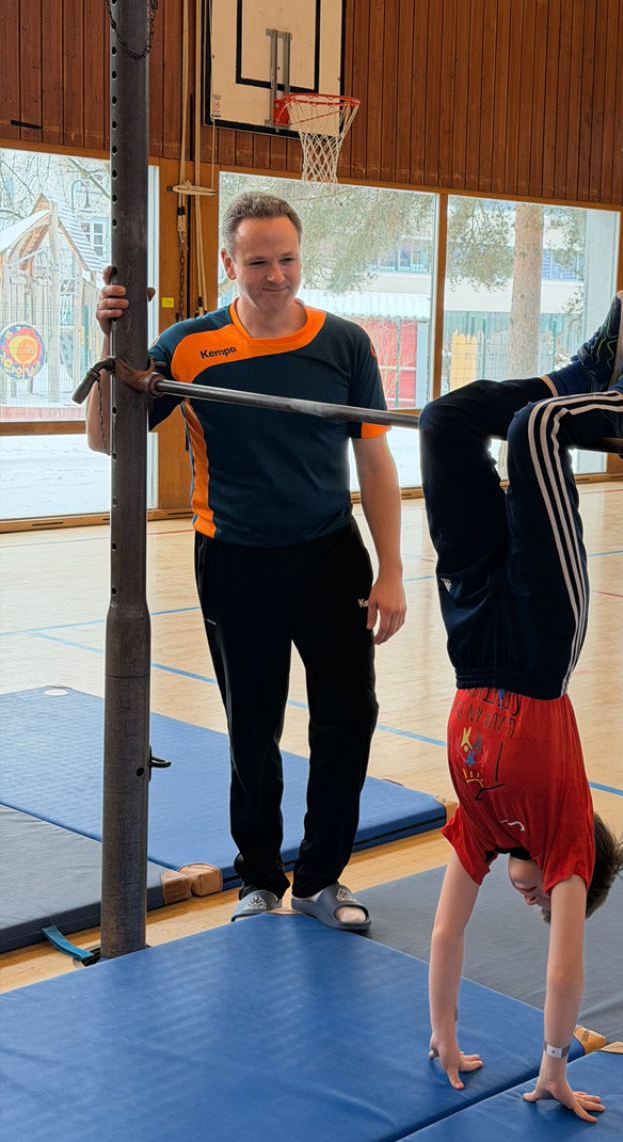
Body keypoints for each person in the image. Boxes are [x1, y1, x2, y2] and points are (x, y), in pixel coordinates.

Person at [87, 191, 406, 929]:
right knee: (251, 727)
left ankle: (323, 879)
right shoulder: (189, 345)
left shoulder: (345, 343)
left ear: (301, 258)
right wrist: (108, 341)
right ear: (229, 263)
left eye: (287, 258)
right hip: (235, 561)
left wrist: (391, 568)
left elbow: (376, 457)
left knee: (348, 716)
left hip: (331, 556)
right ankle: (258, 879)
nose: (275, 275)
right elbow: (109, 439)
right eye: (258, 261)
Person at [420, 293, 623, 1121]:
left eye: (535, 904)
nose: (532, 902)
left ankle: (579, 375)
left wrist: (444, 1027)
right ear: (579, 874)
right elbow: (565, 971)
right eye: (546, 905)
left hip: (470, 631)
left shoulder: (479, 834)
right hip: (539, 639)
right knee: (537, 428)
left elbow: (443, 938)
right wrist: (553, 1062)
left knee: (446, 419)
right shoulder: (568, 840)